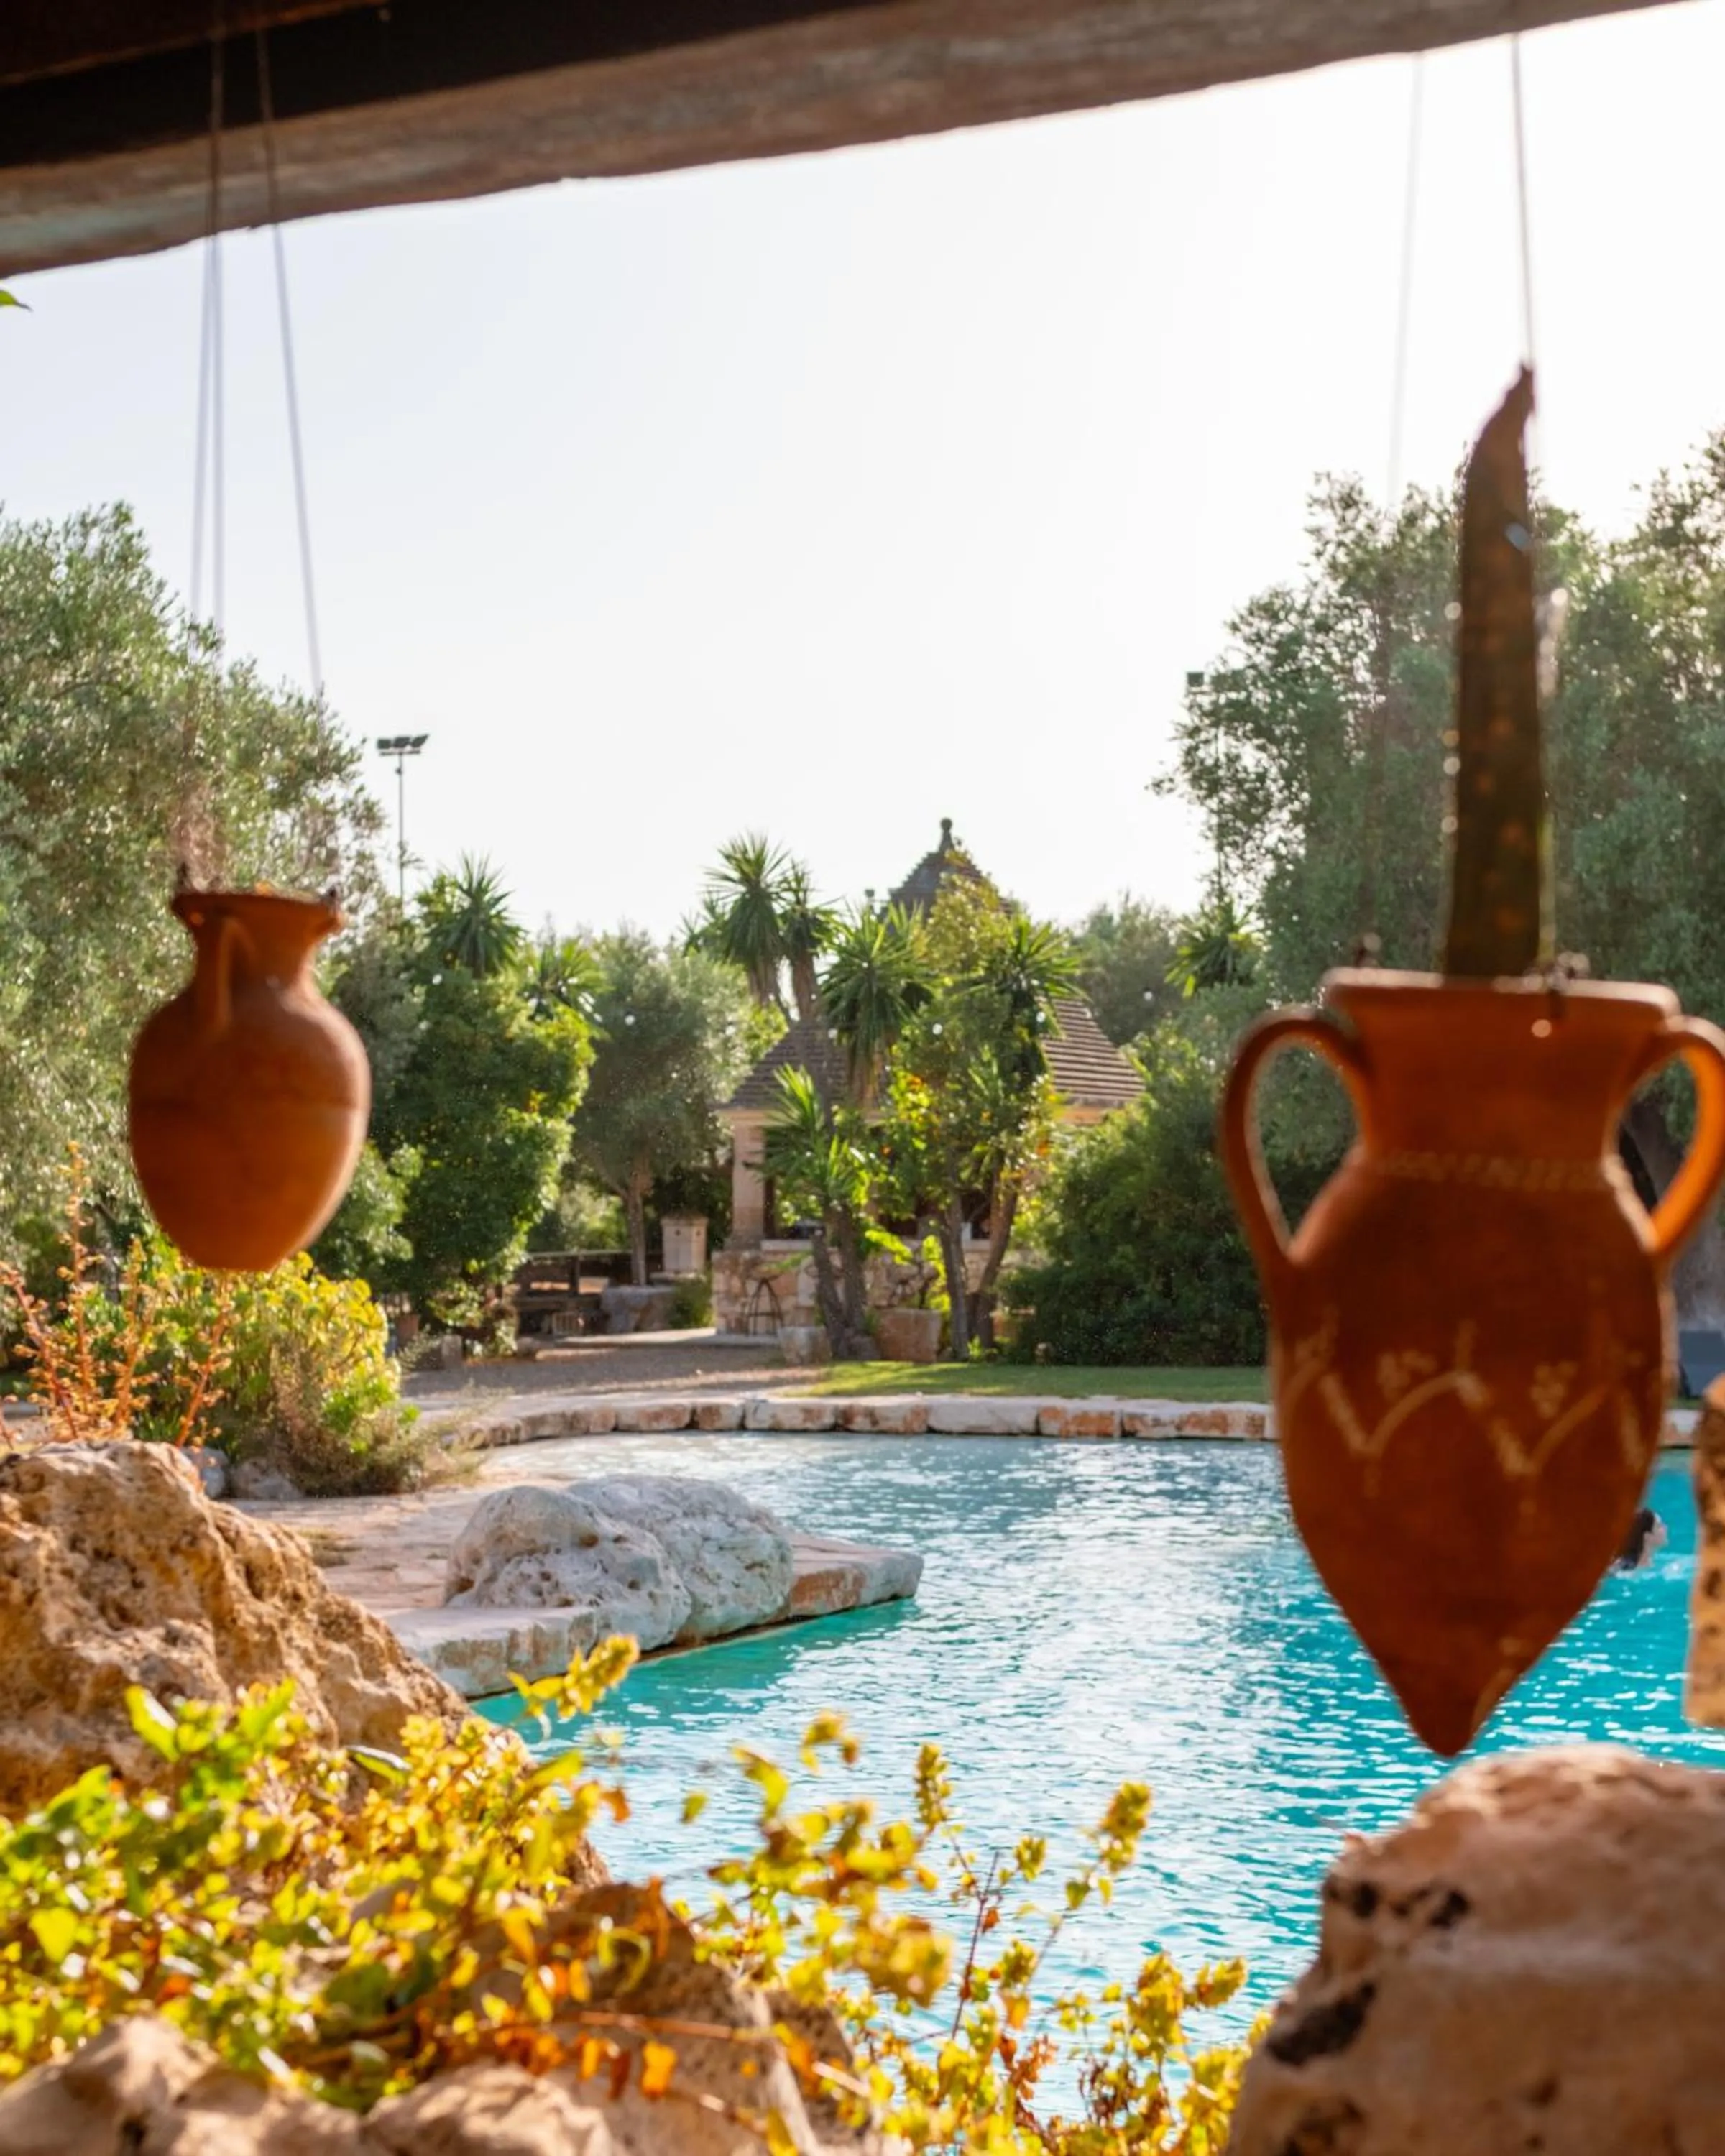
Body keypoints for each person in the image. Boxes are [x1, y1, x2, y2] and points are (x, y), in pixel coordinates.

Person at [1614, 1506, 1666, 1572]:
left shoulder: (1651, 1564)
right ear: (1647, 1536)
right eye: (1659, 1526)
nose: (1665, 1527)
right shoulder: (1623, 1569)